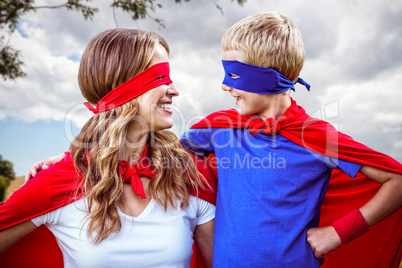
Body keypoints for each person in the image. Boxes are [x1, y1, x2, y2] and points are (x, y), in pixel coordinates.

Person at [179, 12, 402, 267]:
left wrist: (339, 232)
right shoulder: (218, 128)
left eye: (235, 75)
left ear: (267, 78)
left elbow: (397, 180)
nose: (224, 85)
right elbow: (166, 154)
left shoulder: (318, 138)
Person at [0, 28, 216, 268]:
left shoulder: (189, 175)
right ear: (122, 86)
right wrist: (69, 163)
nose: (174, 90)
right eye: (160, 77)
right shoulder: (61, 181)